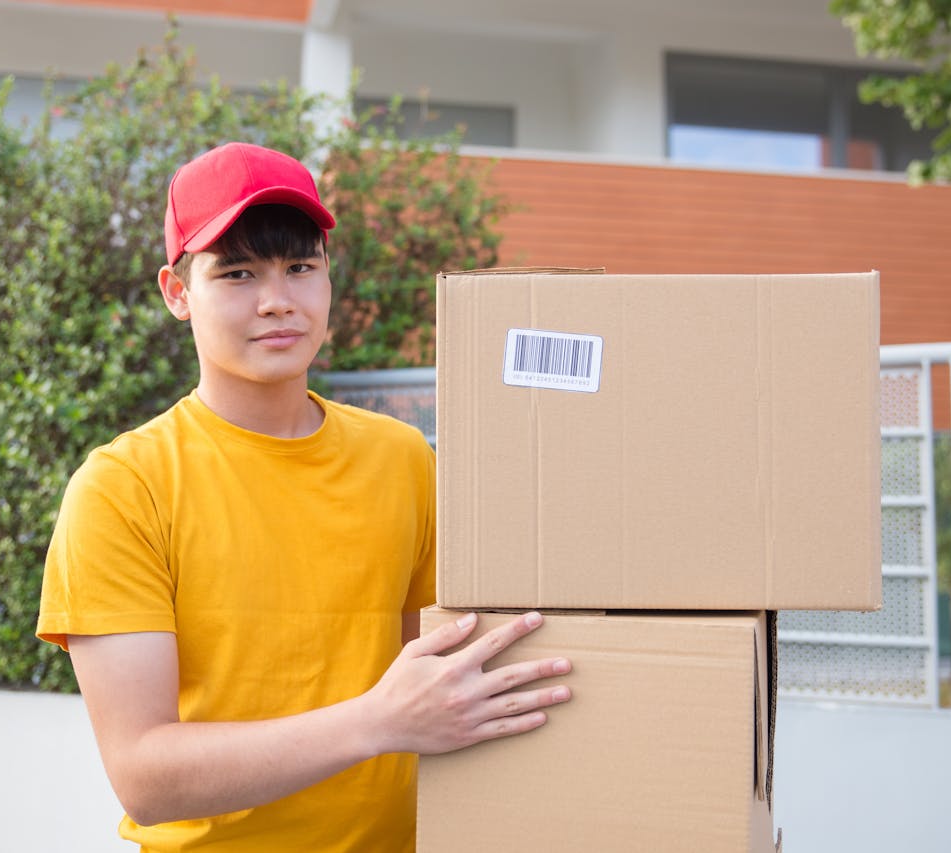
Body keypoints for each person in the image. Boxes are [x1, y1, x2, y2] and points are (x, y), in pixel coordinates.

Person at [36, 141, 572, 851]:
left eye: (300, 267)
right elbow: (145, 774)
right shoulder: (123, 488)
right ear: (176, 292)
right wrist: (375, 721)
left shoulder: (403, 457)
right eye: (236, 273)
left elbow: (448, 684)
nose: (277, 301)